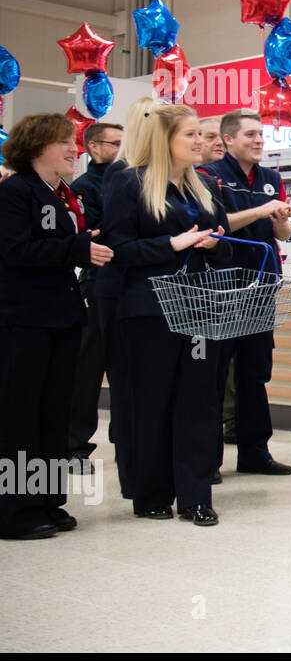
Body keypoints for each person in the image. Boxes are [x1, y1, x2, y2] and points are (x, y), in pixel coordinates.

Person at [100, 103, 230, 526]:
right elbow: (117, 249)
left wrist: (214, 244)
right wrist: (170, 245)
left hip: (199, 306)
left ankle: (195, 495)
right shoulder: (129, 183)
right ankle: (151, 492)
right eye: (191, 134)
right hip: (148, 308)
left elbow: (224, 240)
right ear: (165, 140)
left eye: (201, 134)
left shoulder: (204, 186)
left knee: (198, 403)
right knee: (151, 401)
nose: (201, 142)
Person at [0, 113, 113, 539]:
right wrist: (77, 248)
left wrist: (84, 244)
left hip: (63, 319)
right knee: (19, 416)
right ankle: (13, 511)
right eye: (65, 142)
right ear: (36, 146)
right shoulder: (14, 193)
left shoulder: (65, 195)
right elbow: (17, 250)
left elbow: (62, 246)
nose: (74, 149)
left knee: (53, 414)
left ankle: (47, 500)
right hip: (23, 322)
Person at [201, 109, 291, 477]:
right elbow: (215, 226)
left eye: (261, 135)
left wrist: (281, 220)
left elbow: (285, 235)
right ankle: (207, 458)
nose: (258, 141)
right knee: (215, 372)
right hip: (222, 284)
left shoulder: (271, 177)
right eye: (250, 135)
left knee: (256, 373)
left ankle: (255, 451)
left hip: (262, 284)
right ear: (227, 140)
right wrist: (260, 211)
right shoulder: (209, 176)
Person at [94, 97, 153, 499]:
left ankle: (150, 471)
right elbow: (120, 244)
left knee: (149, 393)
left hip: (155, 300)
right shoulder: (122, 176)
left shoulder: (169, 177)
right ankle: (135, 477)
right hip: (123, 297)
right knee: (131, 391)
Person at [67, 121, 123, 465]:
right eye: (113, 144)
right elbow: (96, 235)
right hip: (96, 282)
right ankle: (74, 444)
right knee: (89, 369)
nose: (120, 150)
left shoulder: (129, 180)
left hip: (127, 284)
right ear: (94, 147)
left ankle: (126, 440)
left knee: (126, 369)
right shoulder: (84, 188)